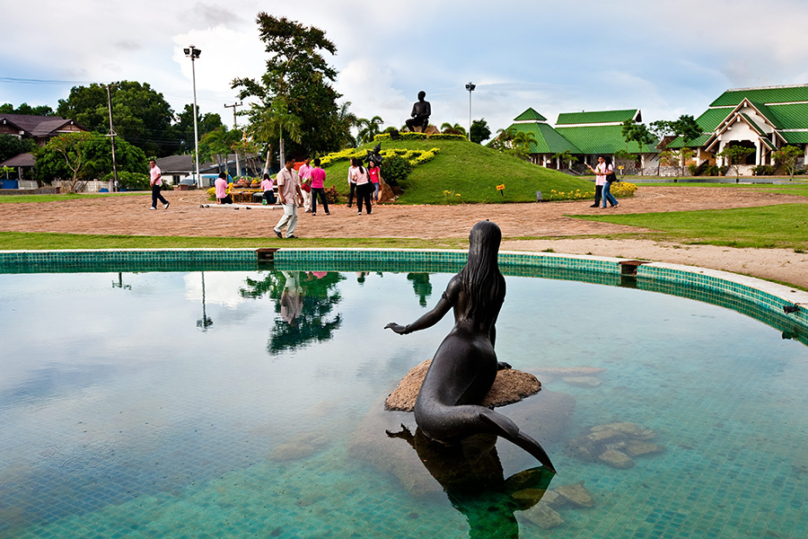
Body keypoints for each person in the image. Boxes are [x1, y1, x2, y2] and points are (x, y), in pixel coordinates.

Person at [385, 221, 555, 473]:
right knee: (446, 405)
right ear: (494, 247)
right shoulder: (498, 282)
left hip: (459, 345)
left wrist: (406, 327)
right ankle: (484, 423)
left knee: (427, 412)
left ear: (472, 244)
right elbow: (491, 326)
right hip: (485, 354)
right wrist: (493, 361)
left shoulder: (460, 281)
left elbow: (434, 315)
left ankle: (481, 418)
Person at [273, 159, 302, 239]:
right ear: (288, 162)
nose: (294, 164)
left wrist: (300, 195)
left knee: (294, 216)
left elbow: (296, 185)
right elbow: (279, 186)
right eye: (293, 162)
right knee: (288, 214)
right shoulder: (282, 173)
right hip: (286, 197)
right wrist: (281, 197)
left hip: (293, 197)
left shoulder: (294, 172)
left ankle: (289, 234)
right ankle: (277, 228)